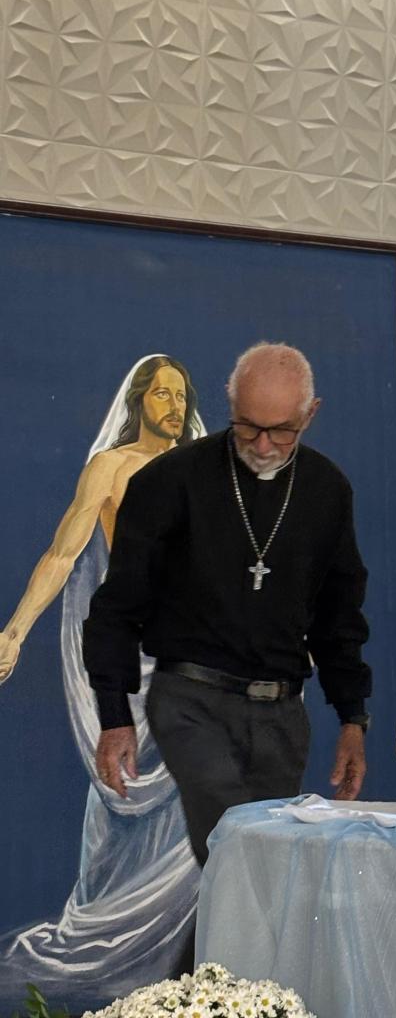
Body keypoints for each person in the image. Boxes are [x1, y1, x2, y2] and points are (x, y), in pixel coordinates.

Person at [83, 342, 371, 867]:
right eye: (247, 426)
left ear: (310, 414)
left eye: (281, 431)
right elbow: (116, 606)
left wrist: (353, 719)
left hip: (281, 712)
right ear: (229, 404)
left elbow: (339, 616)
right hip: (191, 700)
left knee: (265, 871)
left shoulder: (327, 490)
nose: (262, 445)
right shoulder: (170, 480)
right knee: (237, 848)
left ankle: (219, 928)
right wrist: (113, 716)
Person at [0, 354, 203, 1006]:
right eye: (162, 394)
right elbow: (63, 554)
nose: (174, 405)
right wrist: (14, 631)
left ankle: (184, 976)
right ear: (139, 401)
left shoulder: (204, 470)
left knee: (194, 817)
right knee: (120, 803)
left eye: (181, 395)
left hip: (194, 665)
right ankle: (110, 953)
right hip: (135, 661)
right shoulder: (111, 469)